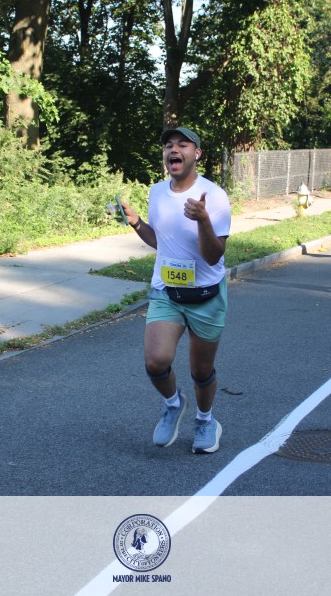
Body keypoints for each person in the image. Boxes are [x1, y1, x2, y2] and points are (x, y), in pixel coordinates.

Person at [117, 127, 232, 454]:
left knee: (201, 371)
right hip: (166, 292)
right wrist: (137, 222)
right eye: (168, 145)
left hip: (206, 296)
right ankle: (172, 403)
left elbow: (214, 255)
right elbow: (162, 241)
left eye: (183, 144)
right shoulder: (156, 192)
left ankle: (206, 420)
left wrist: (203, 220)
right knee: (156, 361)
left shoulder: (214, 196)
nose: (173, 149)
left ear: (197, 154)